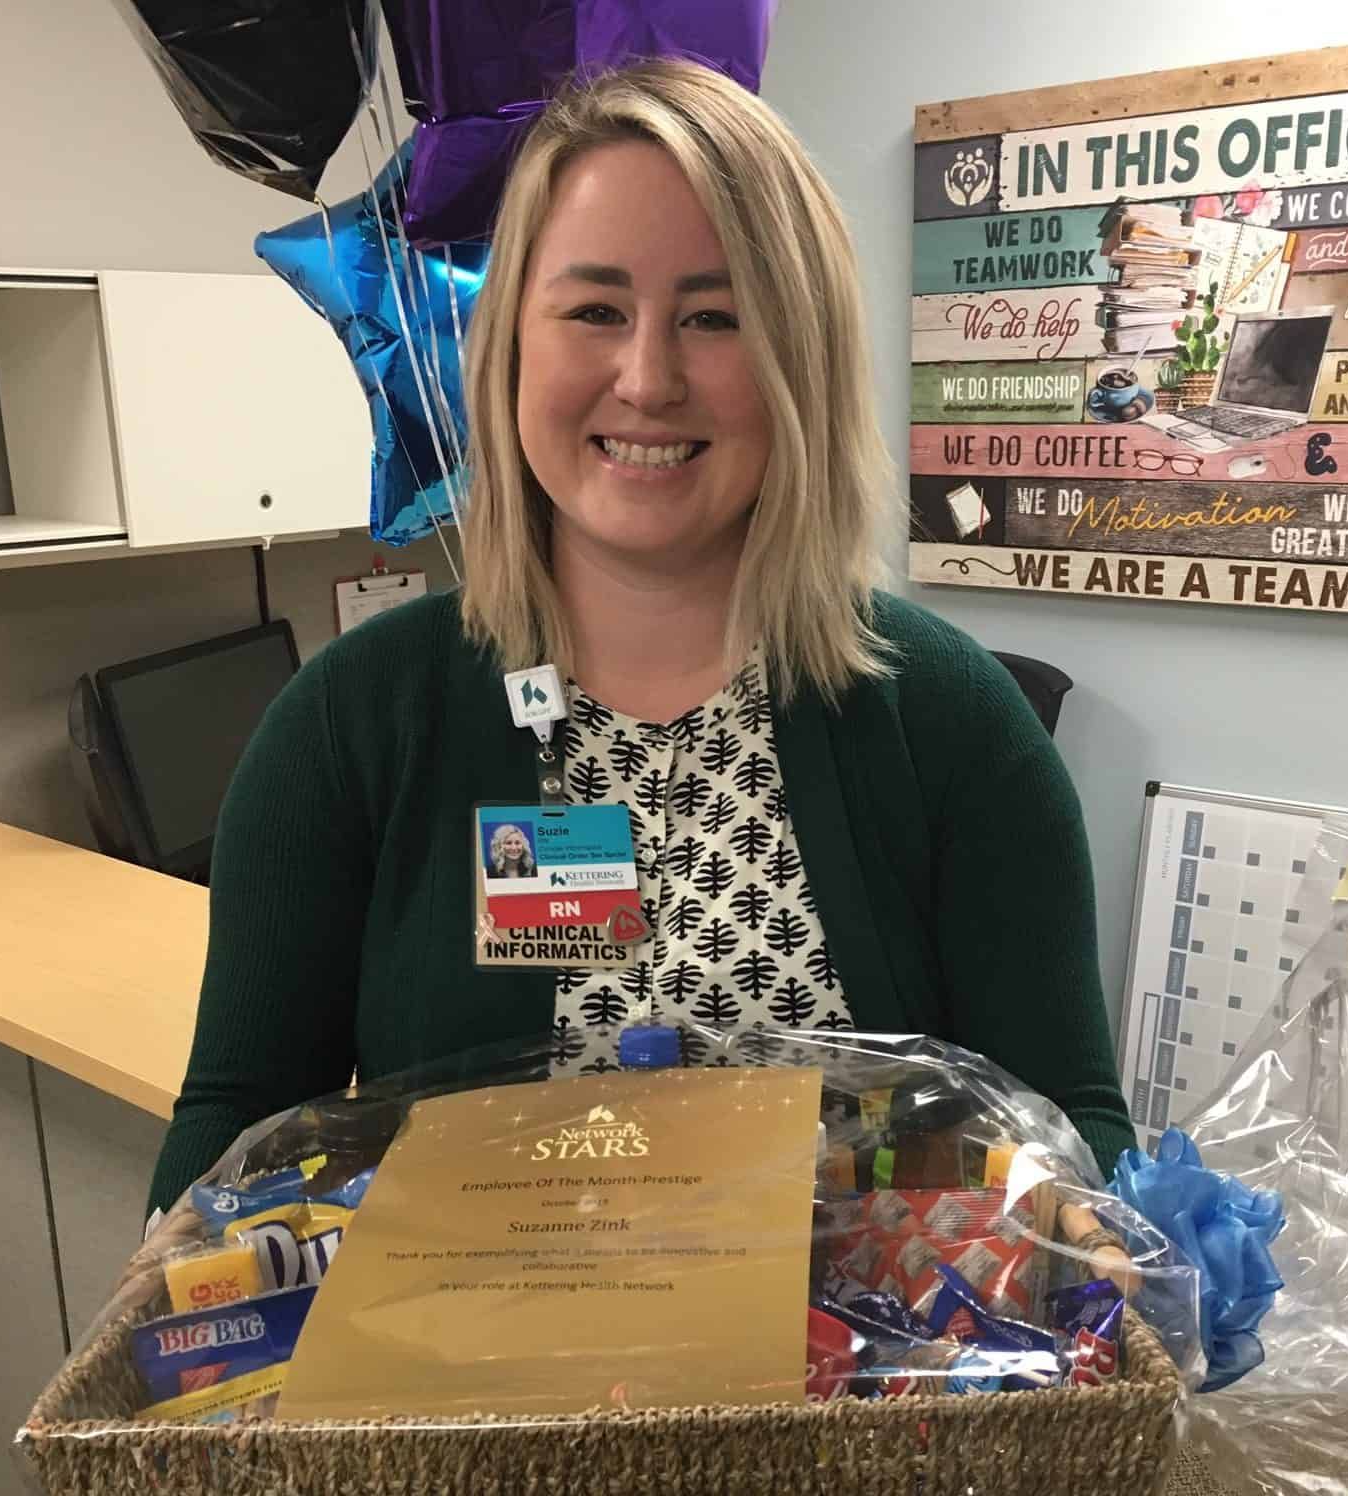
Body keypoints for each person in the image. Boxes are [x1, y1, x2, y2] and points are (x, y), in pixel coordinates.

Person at [147, 60, 1135, 1215]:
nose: (649, 376)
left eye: (715, 316)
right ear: (513, 340)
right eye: (596, 309)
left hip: (868, 1380)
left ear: (798, 363)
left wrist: (1105, 1247)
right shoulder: (349, 724)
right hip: (471, 1389)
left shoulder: (954, 722)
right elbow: (236, 1131)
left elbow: (1070, 1124)